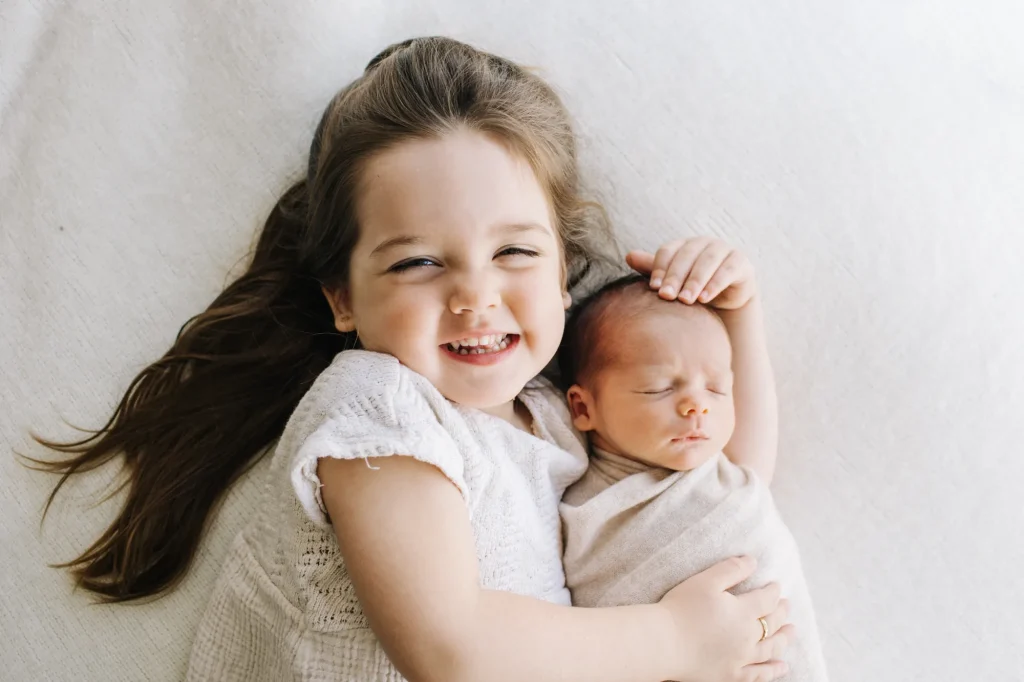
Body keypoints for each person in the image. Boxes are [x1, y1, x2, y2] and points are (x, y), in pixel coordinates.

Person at [31, 37, 793, 681]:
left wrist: (738, 315)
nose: (475, 297)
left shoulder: (560, 417)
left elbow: (726, 483)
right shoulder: (381, 414)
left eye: (515, 252)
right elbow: (448, 648)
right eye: (418, 263)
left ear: (563, 273)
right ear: (343, 298)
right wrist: (675, 639)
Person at [558, 253, 829, 681]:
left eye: (716, 389)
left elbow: (751, 403)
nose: (696, 405)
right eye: (659, 388)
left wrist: (741, 307)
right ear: (582, 407)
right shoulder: (581, 510)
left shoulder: (726, 475)